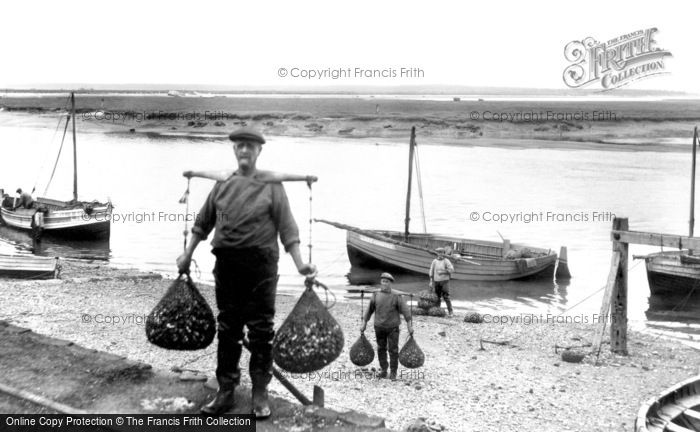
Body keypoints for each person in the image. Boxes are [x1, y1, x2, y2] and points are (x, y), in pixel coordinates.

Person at [176, 127, 316, 419]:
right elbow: (203, 223)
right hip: (227, 264)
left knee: (262, 331)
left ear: (259, 152)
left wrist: (301, 264)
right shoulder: (222, 184)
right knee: (228, 329)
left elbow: (288, 229)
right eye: (239, 146)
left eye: (249, 147)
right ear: (234, 150)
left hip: (262, 266)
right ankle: (225, 391)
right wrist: (187, 254)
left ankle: (259, 393)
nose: (244, 151)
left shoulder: (272, 186)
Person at [360, 272, 413, 380]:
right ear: (380, 282)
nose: (384, 283)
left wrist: (409, 326)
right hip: (379, 326)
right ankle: (384, 369)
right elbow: (369, 310)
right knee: (381, 348)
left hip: (393, 327)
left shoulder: (396, 296)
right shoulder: (375, 295)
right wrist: (364, 324)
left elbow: (406, 312)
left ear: (390, 283)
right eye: (383, 281)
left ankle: (393, 372)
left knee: (393, 350)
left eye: (387, 282)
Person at [429, 247, 454, 316]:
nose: (440, 254)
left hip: (445, 281)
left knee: (446, 296)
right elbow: (431, 271)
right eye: (438, 252)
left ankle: (450, 311)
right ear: (437, 253)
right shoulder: (434, 261)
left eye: (441, 253)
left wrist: (443, 272)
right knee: (437, 296)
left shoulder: (446, 261)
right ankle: (437, 310)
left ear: (443, 253)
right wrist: (431, 281)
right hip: (436, 281)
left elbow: (452, 270)